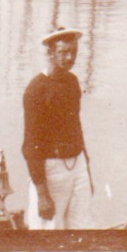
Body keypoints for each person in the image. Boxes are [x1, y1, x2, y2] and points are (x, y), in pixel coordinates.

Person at [21, 26, 92, 229]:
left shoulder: (72, 82)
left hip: (77, 165)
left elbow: (76, 128)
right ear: (50, 53)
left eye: (74, 52)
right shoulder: (36, 90)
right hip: (51, 170)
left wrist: (86, 170)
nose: (70, 57)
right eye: (63, 52)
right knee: (48, 231)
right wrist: (42, 194)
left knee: (82, 227)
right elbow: (30, 145)